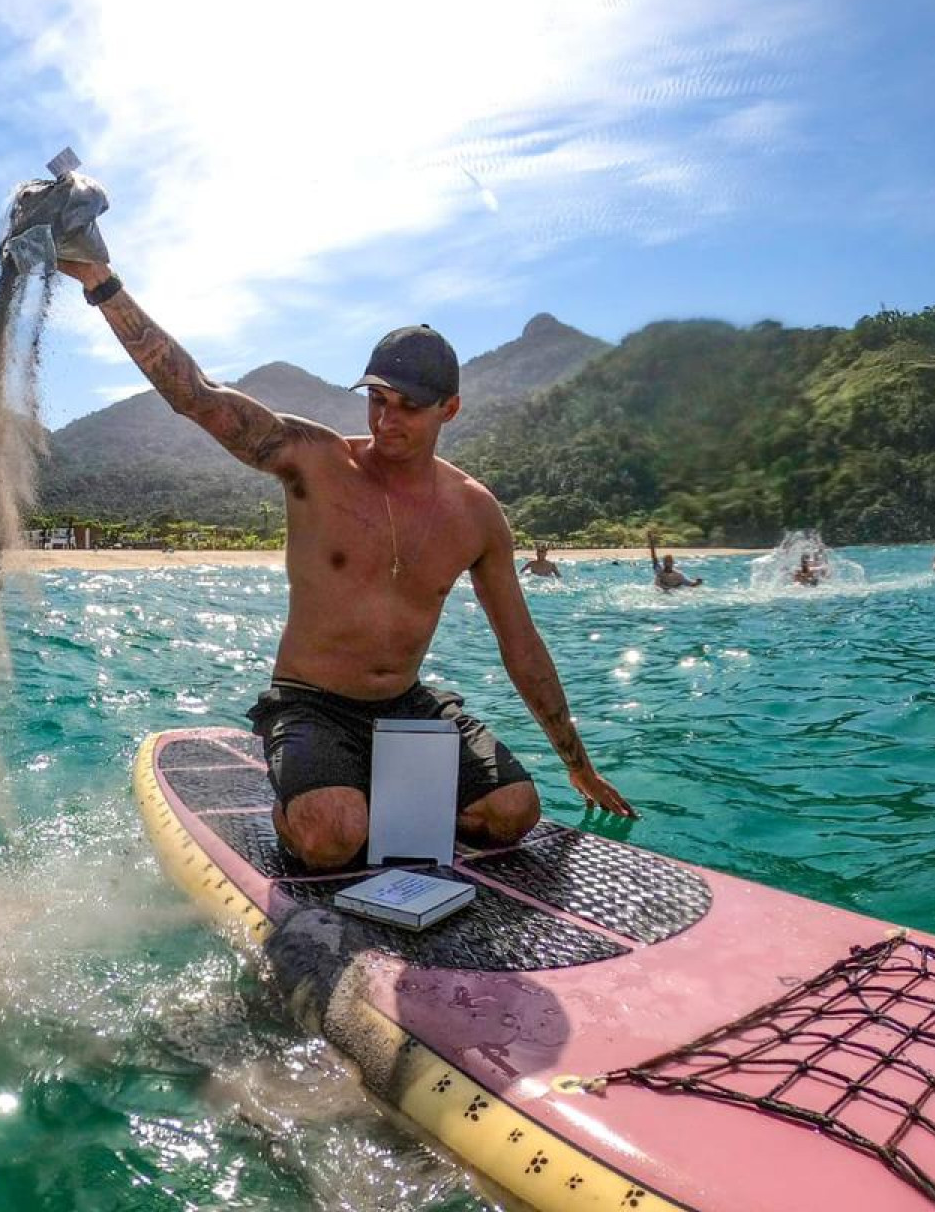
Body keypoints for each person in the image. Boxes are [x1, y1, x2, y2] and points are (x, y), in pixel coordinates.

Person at [55, 255, 634, 871]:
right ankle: (309, 795)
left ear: (450, 409)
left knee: (515, 811)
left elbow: (521, 644)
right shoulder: (318, 463)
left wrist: (577, 763)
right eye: (377, 399)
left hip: (406, 704)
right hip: (311, 702)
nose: (386, 419)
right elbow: (197, 396)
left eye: (408, 406)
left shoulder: (476, 513)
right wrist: (101, 283)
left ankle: (370, 790)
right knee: (332, 836)